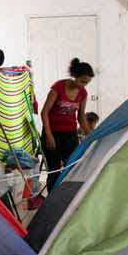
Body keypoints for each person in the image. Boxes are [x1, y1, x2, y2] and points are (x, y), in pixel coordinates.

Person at [41, 58, 94, 192]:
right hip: (52, 132)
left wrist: (91, 135)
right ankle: (51, 197)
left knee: (70, 167)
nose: (83, 85)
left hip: (70, 134)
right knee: (54, 169)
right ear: (75, 76)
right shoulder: (58, 87)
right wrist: (48, 135)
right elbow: (44, 112)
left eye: (86, 83)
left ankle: (65, 195)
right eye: (82, 81)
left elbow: (81, 117)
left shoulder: (83, 93)